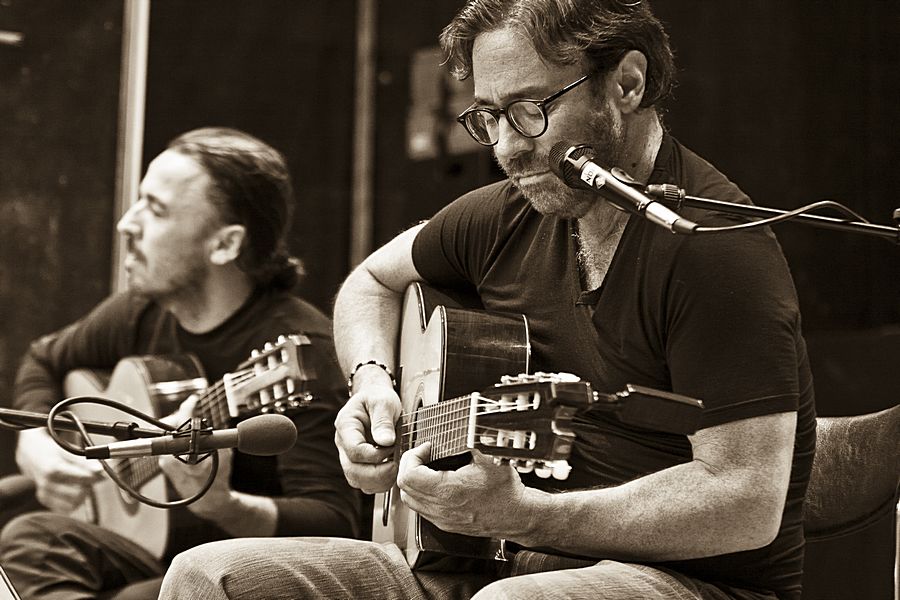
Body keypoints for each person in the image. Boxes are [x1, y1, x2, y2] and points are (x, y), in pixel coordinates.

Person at [157, 2, 816, 599]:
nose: (507, 147)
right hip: (486, 560)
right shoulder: (504, 214)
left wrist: (529, 516)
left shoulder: (716, 250)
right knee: (208, 576)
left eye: (531, 108)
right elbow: (370, 283)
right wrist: (372, 385)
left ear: (627, 83)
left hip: (686, 582)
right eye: (488, 117)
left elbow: (745, 501)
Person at [0, 127, 363, 600]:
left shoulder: (300, 354)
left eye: (155, 209)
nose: (126, 224)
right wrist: (37, 443)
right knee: (22, 524)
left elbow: (336, 525)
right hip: (141, 546)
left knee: (38, 546)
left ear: (224, 245)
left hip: (228, 568)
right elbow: (44, 360)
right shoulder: (142, 310)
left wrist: (223, 504)